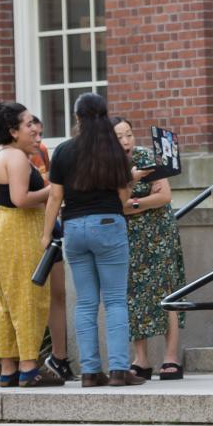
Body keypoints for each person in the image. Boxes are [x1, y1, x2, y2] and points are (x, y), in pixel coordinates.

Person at [46, 93, 139, 387]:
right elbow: (124, 197)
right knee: (115, 302)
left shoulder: (63, 151)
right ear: (103, 116)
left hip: (73, 227)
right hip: (109, 224)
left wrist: (45, 233)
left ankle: (89, 372)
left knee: (85, 303)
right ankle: (119, 371)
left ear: (77, 118)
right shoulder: (114, 152)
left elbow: (55, 197)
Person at [0, 102, 62, 387]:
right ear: (13, 130)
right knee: (29, 298)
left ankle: (8, 369)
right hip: (19, 230)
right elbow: (20, 198)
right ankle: (29, 368)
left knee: (7, 303)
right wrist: (52, 190)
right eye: (29, 124)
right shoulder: (15, 158)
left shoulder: (2, 154)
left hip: (5, 229)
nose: (35, 128)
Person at [114, 117, 187, 381]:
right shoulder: (109, 166)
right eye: (120, 136)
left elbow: (164, 196)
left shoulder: (145, 156)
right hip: (129, 237)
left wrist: (133, 203)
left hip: (160, 233)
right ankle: (141, 359)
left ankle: (170, 357)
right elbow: (112, 204)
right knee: (134, 295)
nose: (126, 141)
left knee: (167, 289)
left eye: (129, 134)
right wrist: (140, 196)